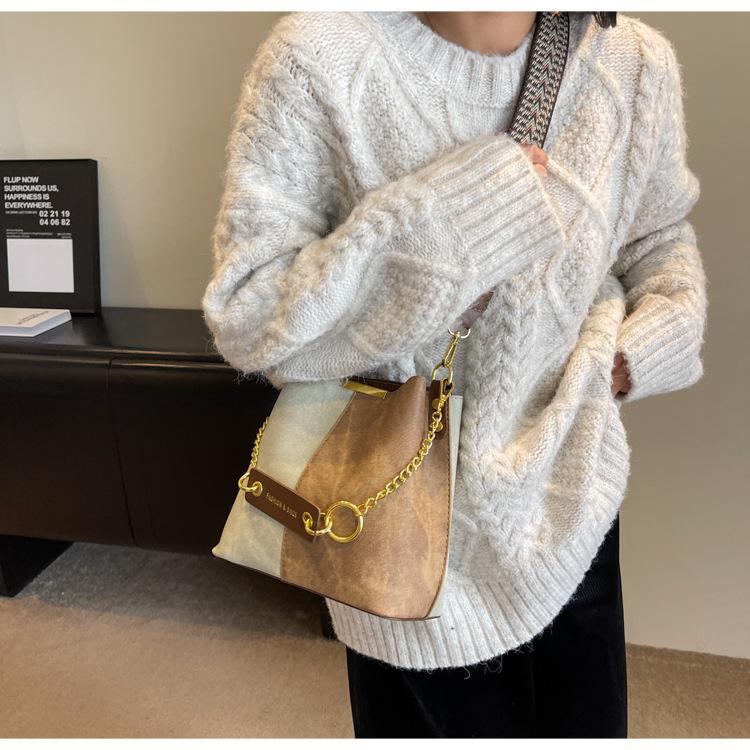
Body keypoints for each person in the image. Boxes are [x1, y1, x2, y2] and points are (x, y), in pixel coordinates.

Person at [201, 10, 707, 738]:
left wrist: (631, 357)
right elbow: (251, 317)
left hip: (570, 493)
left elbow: (658, 241)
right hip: (390, 521)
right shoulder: (317, 58)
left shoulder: (631, 61)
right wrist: (463, 217)